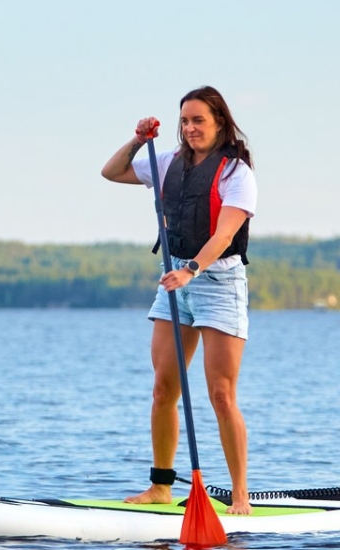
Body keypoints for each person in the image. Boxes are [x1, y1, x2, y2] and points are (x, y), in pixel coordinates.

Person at [99, 86, 258, 515]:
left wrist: (192, 270)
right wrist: (138, 141)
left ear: (220, 122)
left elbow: (224, 235)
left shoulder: (235, 173)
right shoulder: (166, 162)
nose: (190, 129)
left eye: (199, 120)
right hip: (174, 280)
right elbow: (110, 172)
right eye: (184, 121)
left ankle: (239, 493)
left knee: (221, 393)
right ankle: (161, 487)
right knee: (163, 388)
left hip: (218, 282)